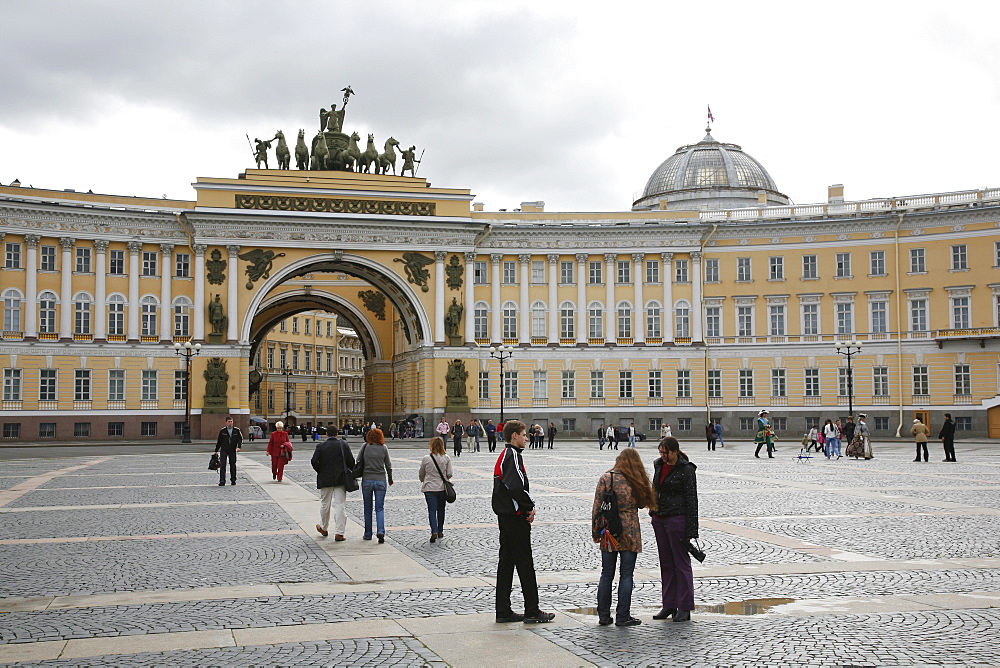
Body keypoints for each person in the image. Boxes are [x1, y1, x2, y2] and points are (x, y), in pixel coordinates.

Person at [492, 419, 555, 624]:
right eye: (523, 435)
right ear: (514, 437)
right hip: (514, 517)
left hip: (506, 516)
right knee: (525, 563)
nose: (526, 438)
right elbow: (517, 487)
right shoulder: (512, 456)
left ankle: (503, 610)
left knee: (507, 563)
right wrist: (529, 508)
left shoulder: (506, 455)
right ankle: (532, 609)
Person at [592, 448, 657, 627]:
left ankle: (604, 616)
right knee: (626, 575)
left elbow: (597, 507)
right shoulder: (636, 479)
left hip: (608, 532)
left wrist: (595, 532)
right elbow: (644, 503)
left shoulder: (607, 477)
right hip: (630, 530)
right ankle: (623, 616)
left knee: (606, 573)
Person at [650, 436, 699, 623]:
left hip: (677, 519)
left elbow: (692, 500)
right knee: (666, 563)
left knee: (681, 564)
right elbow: (656, 489)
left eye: (665, 452)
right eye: (660, 452)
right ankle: (669, 603)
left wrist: (691, 531)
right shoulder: (658, 465)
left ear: (675, 451)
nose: (662, 456)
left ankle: (685, 606)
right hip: (660, 518)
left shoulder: (686, 470)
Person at [312, 427, 354, 541]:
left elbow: (314, 461)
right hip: (341, 478)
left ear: (326, 434)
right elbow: (351, 462)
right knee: (340, 505)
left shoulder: (320, 446)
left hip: (325, 478)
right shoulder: (343, 445)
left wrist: (321, 471)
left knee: (325, 504)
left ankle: (324, 527)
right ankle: (339, 533)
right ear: (337, 434)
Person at [358, 428, 393, 543]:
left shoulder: (365, 447)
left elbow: (358, 461)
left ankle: (368, 534)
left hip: (367, 480)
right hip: (381, 480)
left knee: (367, 508)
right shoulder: (384, 448)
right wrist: (390, 479)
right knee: (379, 508)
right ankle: (381, 531)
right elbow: (388, 465)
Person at [419, 436, 453, 542]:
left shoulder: (426, 458)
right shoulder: (446, 458)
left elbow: (421, 474)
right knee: (441, 509)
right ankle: (440, 530)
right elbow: (449, 474)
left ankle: (433, 531)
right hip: (442, 488)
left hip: (429, 487)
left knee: (432, 510)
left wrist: (424, 479)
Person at [214, 416, 243, 486]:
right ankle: (222, 481)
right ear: (226, 422)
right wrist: (216, 450)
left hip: (232, 449)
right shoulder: (223, 431)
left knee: (233, 465)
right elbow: (219, 441)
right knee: (222, 465)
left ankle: (233, 480)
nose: (230, 423)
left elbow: (240, 439)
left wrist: (239, 447)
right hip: (224, 449)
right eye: (229, 422)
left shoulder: (236, 430)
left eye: (231, 422)